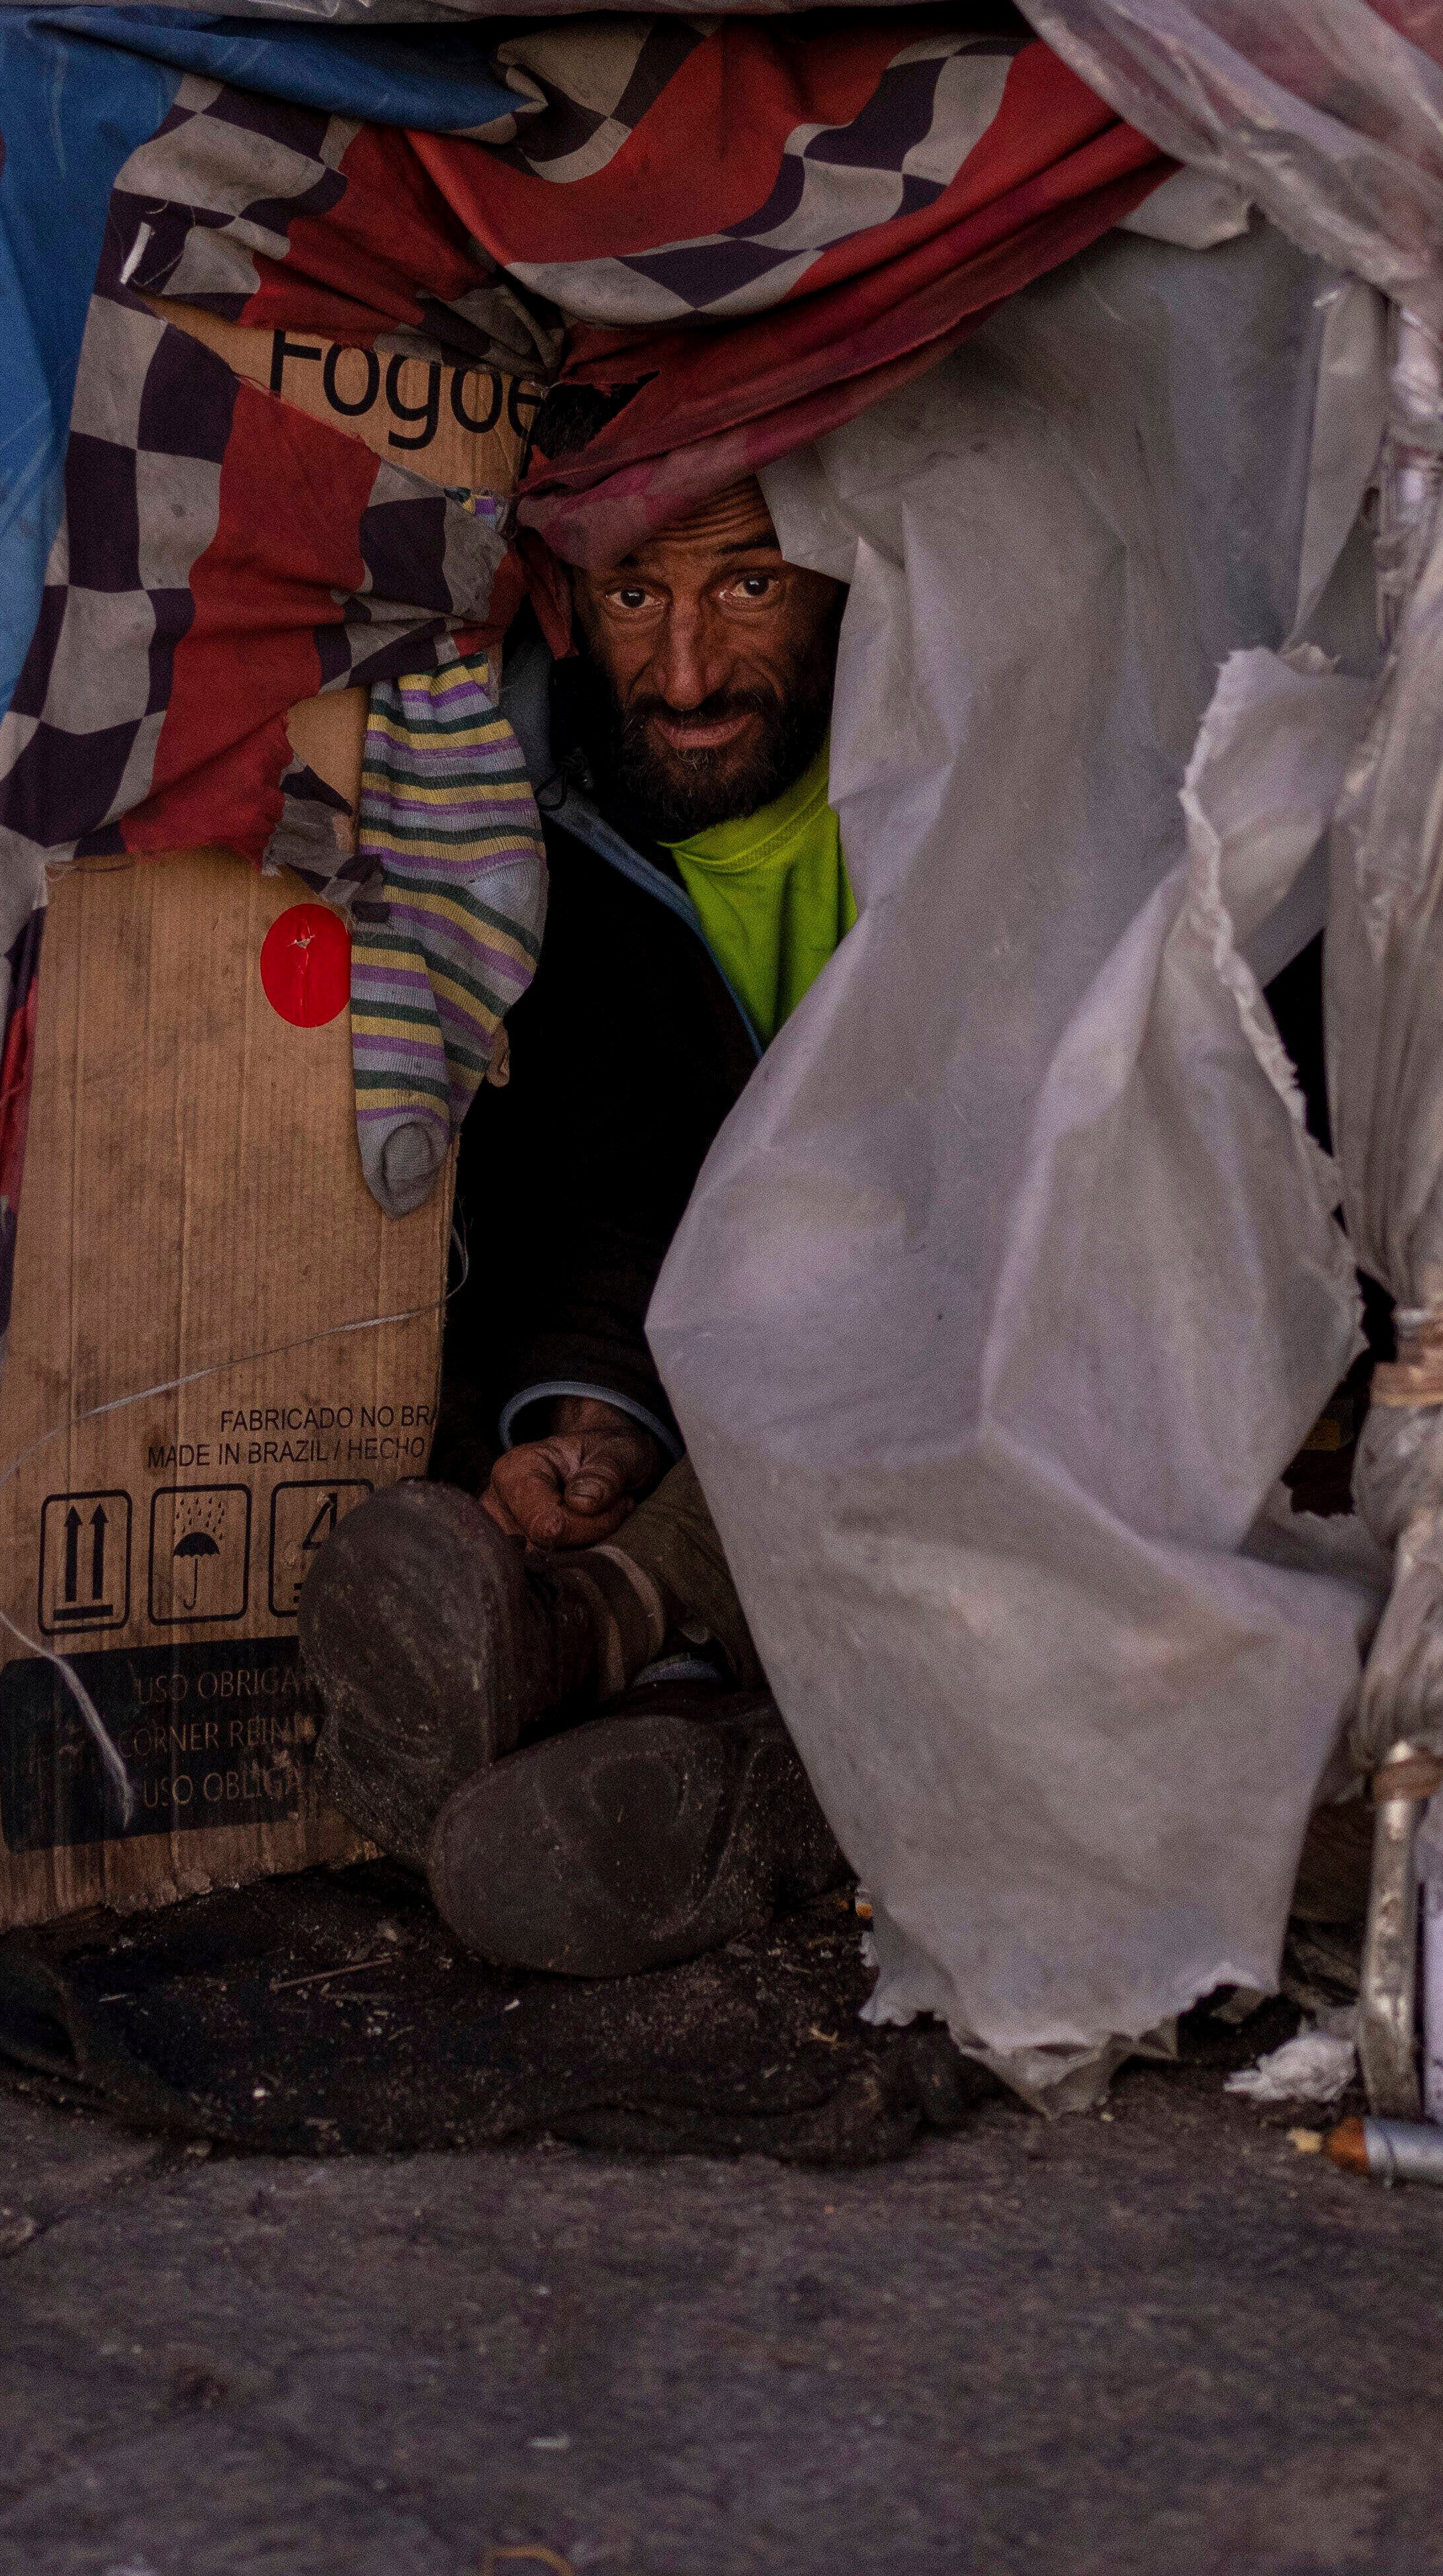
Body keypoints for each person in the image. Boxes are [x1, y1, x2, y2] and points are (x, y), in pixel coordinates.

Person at [296, 475, 862, 1977]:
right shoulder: (513, 847)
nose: (683, 674)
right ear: (563, 605)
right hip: (702, 1404)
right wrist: (587, 1423)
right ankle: (656, 1699)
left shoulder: (976, 815)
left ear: (858, 582)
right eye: (633, 600)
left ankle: (619, 1642)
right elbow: (609, 1181)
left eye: (747, 588)